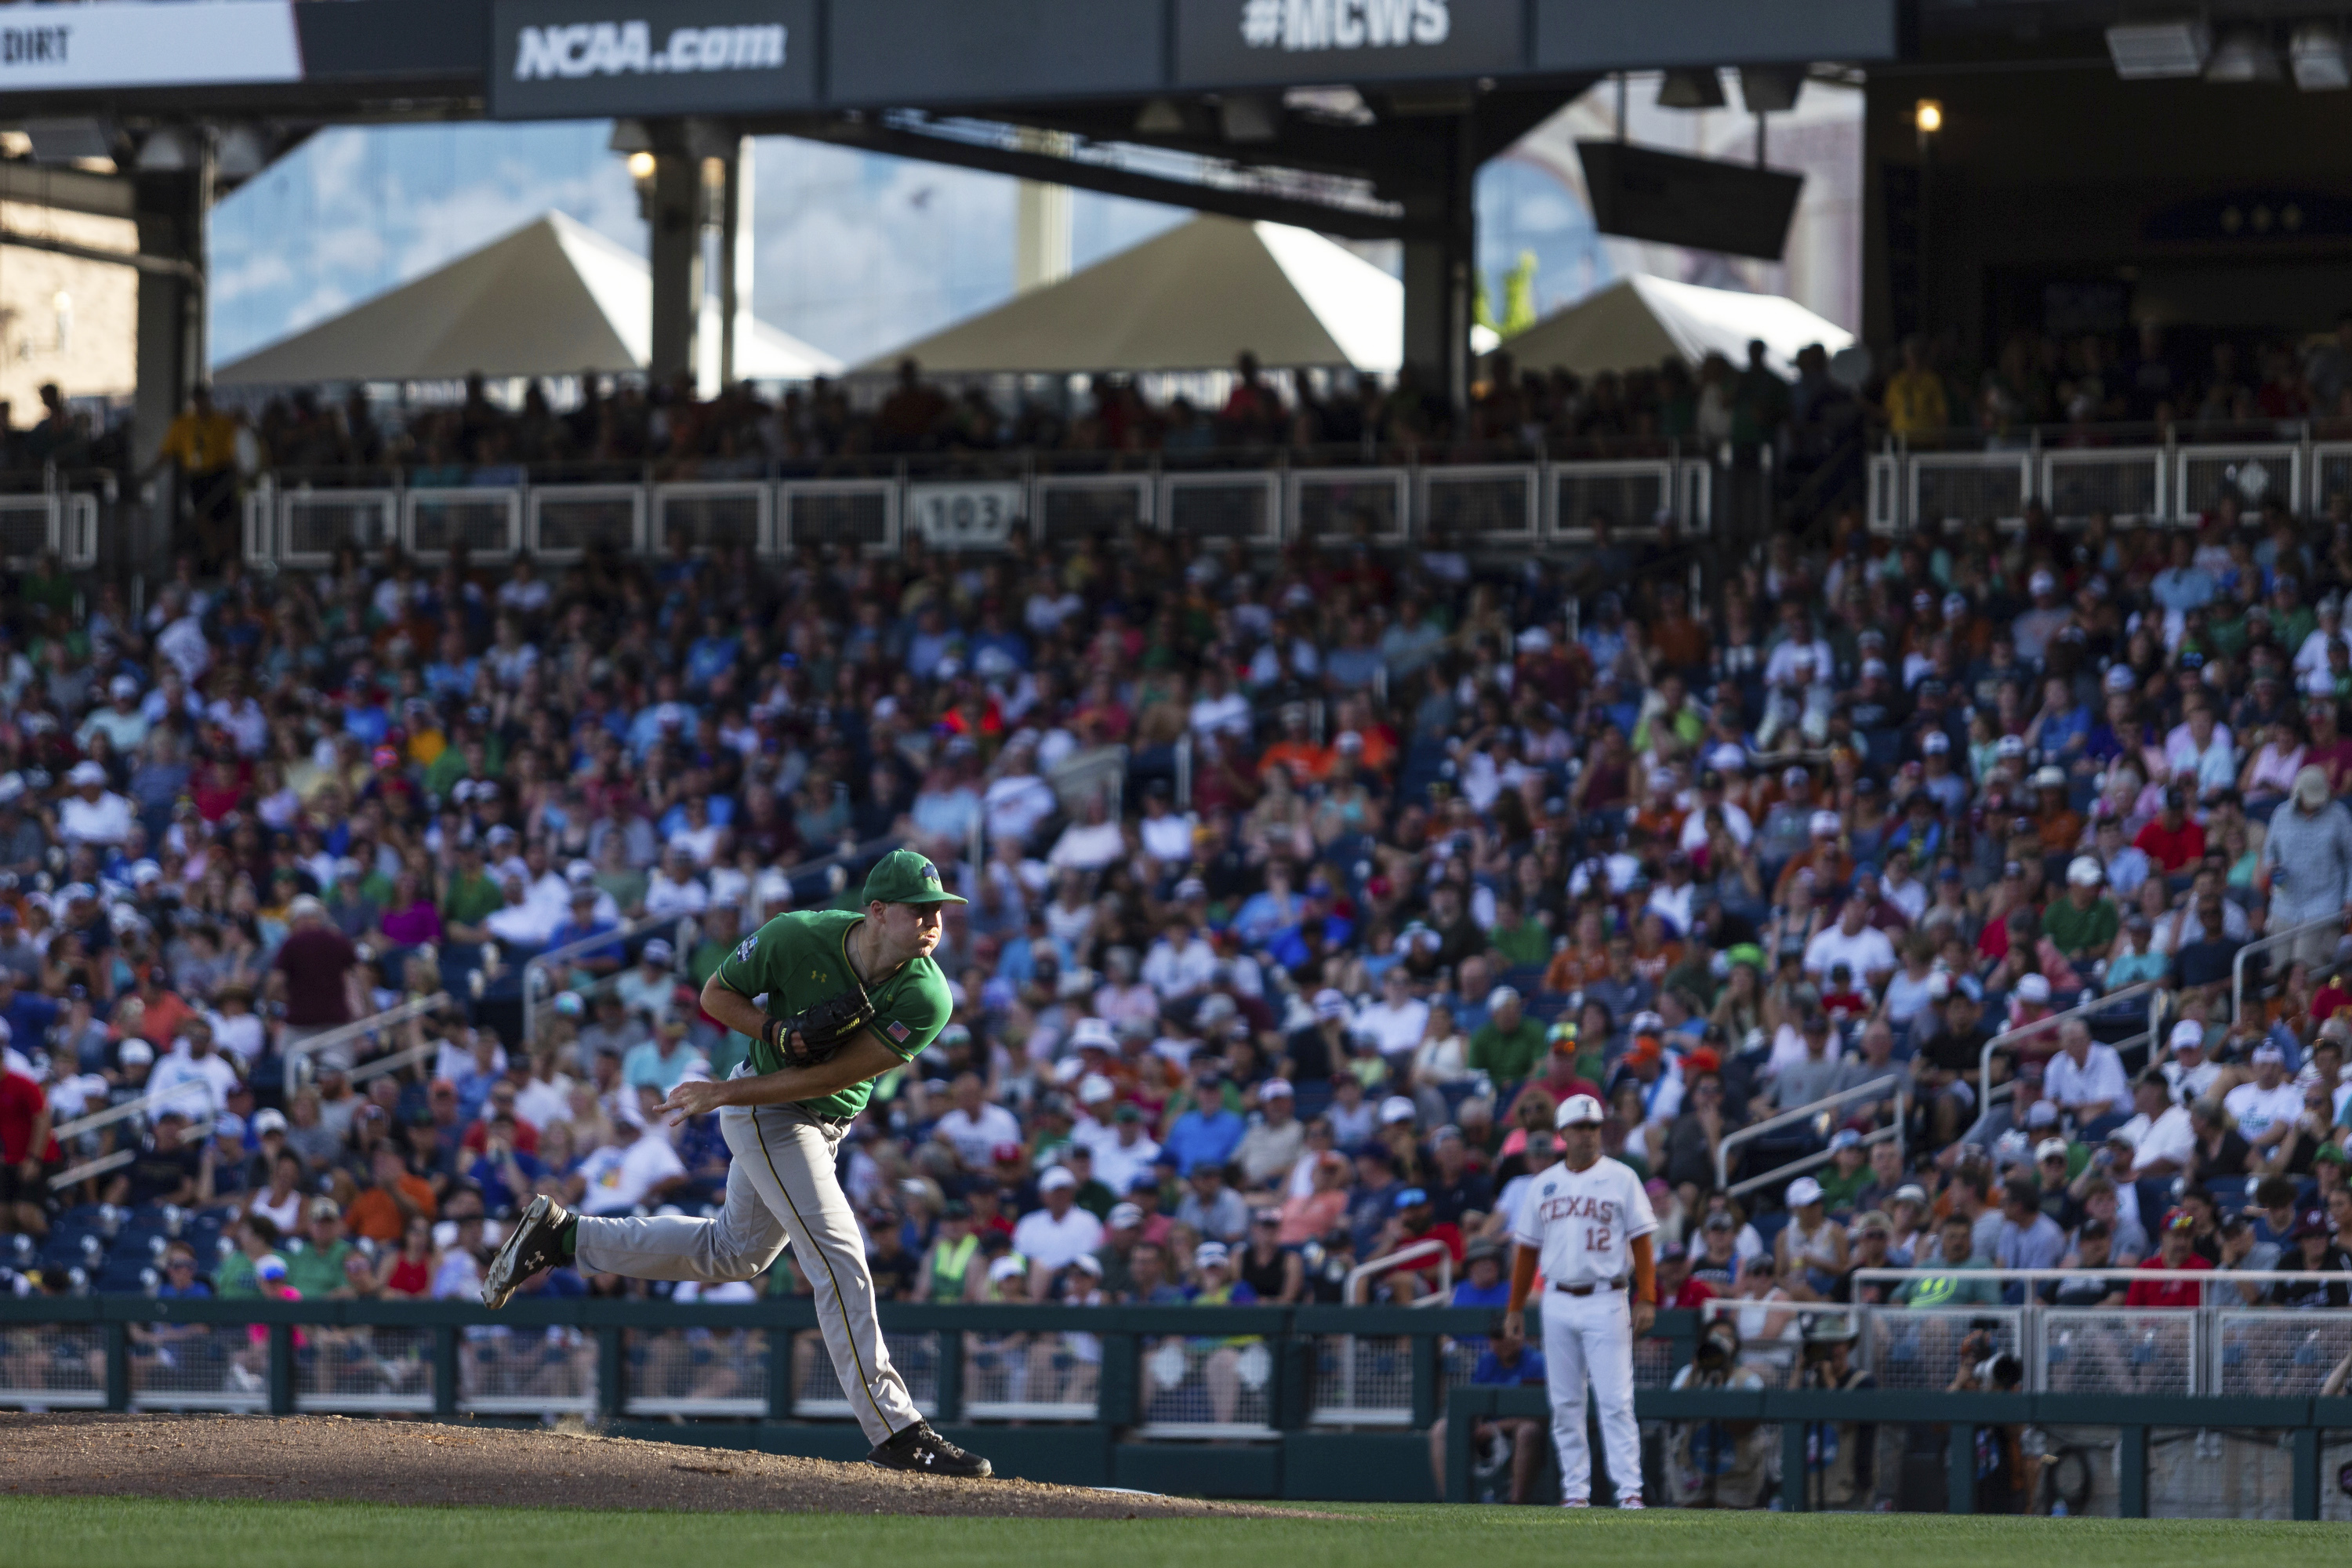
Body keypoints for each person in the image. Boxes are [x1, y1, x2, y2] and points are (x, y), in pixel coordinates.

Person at [480, 850, 992, 1479]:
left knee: (734, 1254)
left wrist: (733, 1088)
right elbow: (716, 994)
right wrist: (772, 1035)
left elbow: (835, 1073)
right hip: (767, 1111)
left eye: (941, 910)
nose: (935, 922)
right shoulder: (798, 934)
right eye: (921, 911)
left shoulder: (927, 993)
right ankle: (896, 1430)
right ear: (878, 911)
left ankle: (564, 1237)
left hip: (807, 1113)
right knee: (839, 1257)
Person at [1498, 1093, 1657, 1509]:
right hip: (1557, 1299)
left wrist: (1648, 1297)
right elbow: (1527, 1251)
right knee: (1565, 1402)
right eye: (1580, 1128)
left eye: (1594, 1127)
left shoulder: (1622, 1177)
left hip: (1606, 1297)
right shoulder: (1544, 1184)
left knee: (1615, 1400)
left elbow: (1642, 1241)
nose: (1588, 1134)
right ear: (1563, 1134)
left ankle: (1629, 1491)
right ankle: (1576, 1492)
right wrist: (1515, 1306)